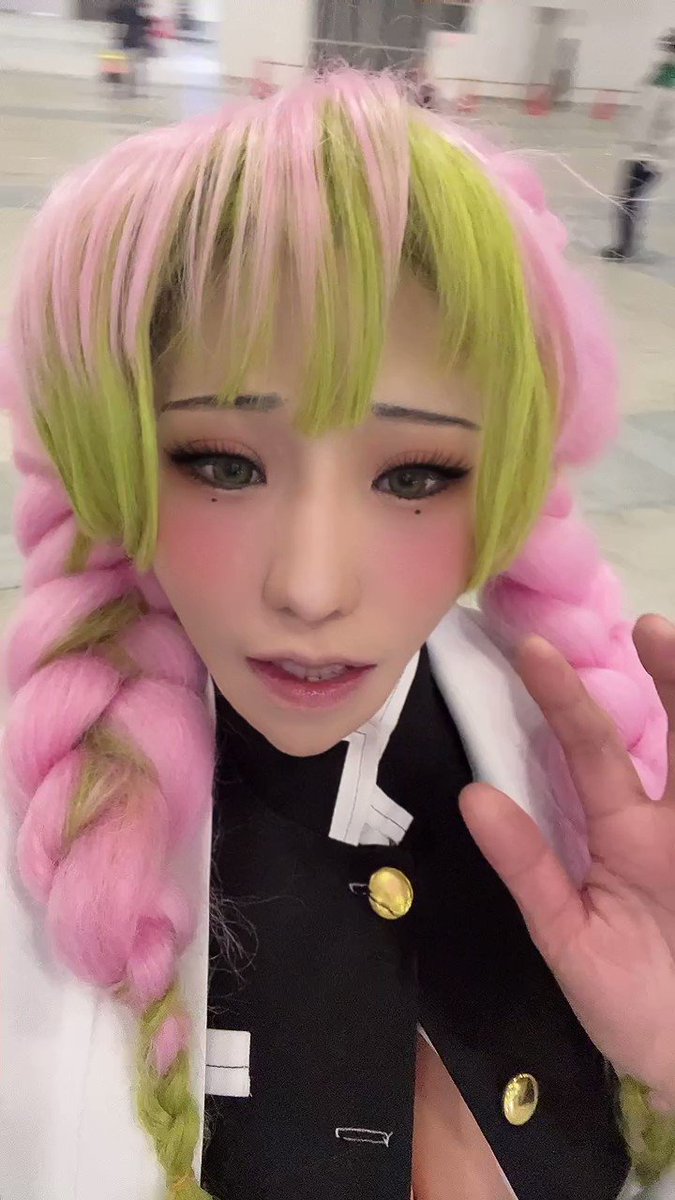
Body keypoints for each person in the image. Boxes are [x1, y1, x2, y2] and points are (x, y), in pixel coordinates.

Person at [2, 71, 675, 1200]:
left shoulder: (580, 777)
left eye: (414, 475)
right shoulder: (34, 841)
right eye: (223, 464)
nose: (311, 588)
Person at [602, 30, 675, 261]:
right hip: (640, 151)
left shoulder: (669, 83)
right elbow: (641, 114)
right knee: (629, 199)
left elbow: (667, 124)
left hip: (652, 155)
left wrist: (658, 156)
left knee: (629, 199)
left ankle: (625, 247)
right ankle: (626, 244)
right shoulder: (660, 75)